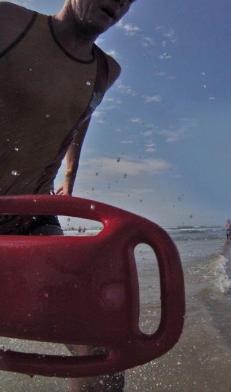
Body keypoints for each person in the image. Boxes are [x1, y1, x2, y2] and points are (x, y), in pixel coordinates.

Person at [0, 0, 136, 390]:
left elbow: (81, 114)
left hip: (32, 215)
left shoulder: (106, 71)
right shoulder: (9, 22)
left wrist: (71, 173)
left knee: (103, 354)